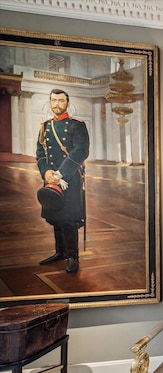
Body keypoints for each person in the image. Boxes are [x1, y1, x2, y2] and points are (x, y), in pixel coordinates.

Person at [36, 89, 90, 273]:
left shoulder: (77, 125)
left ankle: (73, 257)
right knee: (55, 216)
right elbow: (40, 154)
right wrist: (46, 173)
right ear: (50, 102)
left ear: (67, 103)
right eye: (53, 100)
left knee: (69, 219)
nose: (57, 104)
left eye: (61, 100)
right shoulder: (45, 126)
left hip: (70, 178)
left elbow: (81, 151)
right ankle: (60, 252)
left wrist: (61, 174)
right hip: (51, 179)